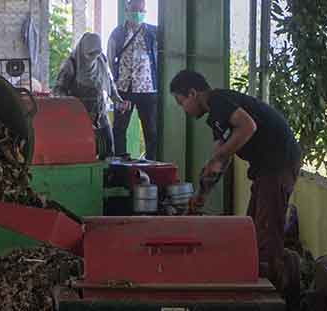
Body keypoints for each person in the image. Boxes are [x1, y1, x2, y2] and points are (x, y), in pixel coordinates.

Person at [169, 69, 302, 291]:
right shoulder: (216, 118)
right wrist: (201, 196)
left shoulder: (219, 100)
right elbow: (218, 161)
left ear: (193, 93)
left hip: (279, 163)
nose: (183, 110)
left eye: (181, 102)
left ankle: (276, 302)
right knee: (252, 233)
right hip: (264, 170)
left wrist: (219, 157)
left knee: (267, 239)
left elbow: (248, 127)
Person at [54, 32, 125, 159]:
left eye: (97, 53)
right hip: (79, 119)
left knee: (108, 152)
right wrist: (71, 107)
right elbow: (58, 90)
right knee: (83, 154)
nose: (94, 57)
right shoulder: (71, 65)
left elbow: (109, 81)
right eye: (90, 54)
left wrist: (117, 100)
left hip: (101, 116)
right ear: (83, 50)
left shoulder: (101, 60)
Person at [107, 0, 158, 160]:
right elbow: (109, 60)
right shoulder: (117, 34)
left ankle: (151, 163)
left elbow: (159, 58)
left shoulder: (153, 33)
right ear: (127, 9)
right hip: (123, 89)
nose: (138, 13)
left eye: (141, 10)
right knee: (120, 128)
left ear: (145, 11)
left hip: (148, 90)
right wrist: (113, 89)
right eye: (135, 9)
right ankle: (120, 163)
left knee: (151, 130)